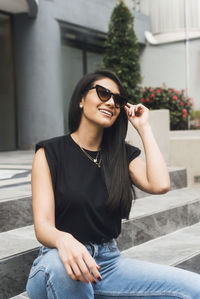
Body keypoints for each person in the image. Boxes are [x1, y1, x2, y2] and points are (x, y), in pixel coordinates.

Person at [26, 69, 200, 299]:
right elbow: (43, 226)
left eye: (117, 100)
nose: (111, 102)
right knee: (67, 272)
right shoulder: (50, 152)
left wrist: (143, 127)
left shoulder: (121, 155)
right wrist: (65, 240)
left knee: (194, 288)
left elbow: (160, 184)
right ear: (80, 99)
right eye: (102, 93)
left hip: (107, 264)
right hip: (56, 260)